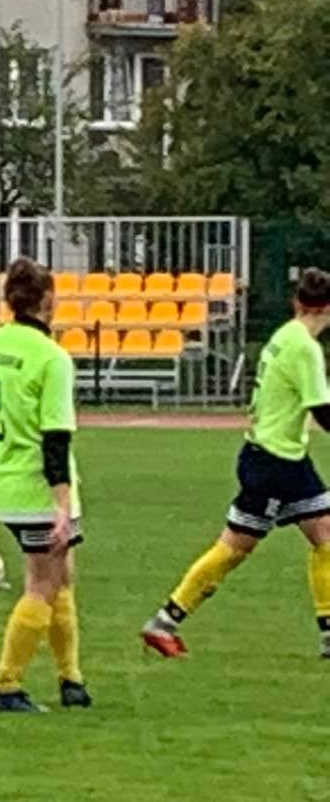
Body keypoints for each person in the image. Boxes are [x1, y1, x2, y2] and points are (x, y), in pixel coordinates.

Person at [142, 267, 330, 660]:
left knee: (319, 536)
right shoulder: (305, 348)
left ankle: (164, 622)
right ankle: (164, 621)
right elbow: (323, 411)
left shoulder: (285, 335)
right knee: (235, 548)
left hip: (273, 456)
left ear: (296, 301)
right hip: (277, 463)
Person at [0, 259, 89, 713]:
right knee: (43, 583)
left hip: (2, 480)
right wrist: (61, 504)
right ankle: (4, 685)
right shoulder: (51, 357)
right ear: (48, 300)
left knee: (62, 576)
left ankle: (71, 679)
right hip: (37, 487)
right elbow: (56, 439)